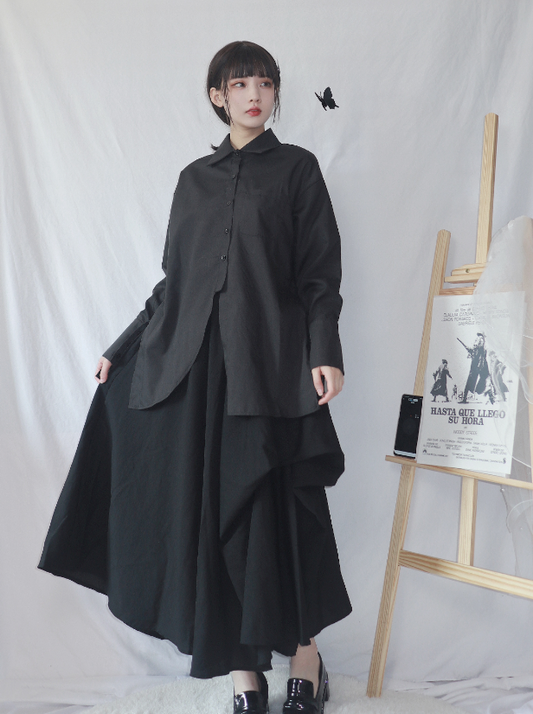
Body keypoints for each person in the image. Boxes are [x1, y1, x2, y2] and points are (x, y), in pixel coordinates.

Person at [39, 41, 351, 714]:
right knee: (212, 521)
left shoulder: (298, 169)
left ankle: (306, 657)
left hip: (271, 371)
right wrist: (122, 347)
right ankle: (243, 675)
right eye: (240, 84)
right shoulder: (193, 180)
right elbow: (174, 285)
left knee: (279, 515)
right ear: (218, 96)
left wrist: (324, 351)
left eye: (264, 83)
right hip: (200, 375)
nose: (254, 95)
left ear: (275, 94)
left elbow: (319, 276)